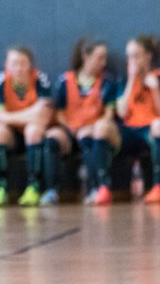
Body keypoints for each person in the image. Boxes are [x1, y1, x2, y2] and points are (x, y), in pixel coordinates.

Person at [46, 39, 118, 206]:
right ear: (86, 57)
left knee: (89, 138)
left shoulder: (107, 82)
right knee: (52, 138)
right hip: (70, 129)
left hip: (92, 130)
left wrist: (92, 128)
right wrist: (70, 127)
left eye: (105, 58)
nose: (104, 63)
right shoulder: (66, 80)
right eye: (100, 58)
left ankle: (95, 189)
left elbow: (109, 114)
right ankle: (51, 191)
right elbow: (59, 113)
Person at [0, 47, 51, 207]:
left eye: (23, 63)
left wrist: (10, 117)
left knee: (33, 130)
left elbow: (43, 116)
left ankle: (33, 187)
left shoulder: (40, 79)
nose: (19, 68)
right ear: (7, 65)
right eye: (14, 63)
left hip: (32, 132)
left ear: (30, 65)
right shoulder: (0, 81)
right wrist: (29, 114)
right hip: (12, 133)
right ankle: (0, 188)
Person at [115, 34, 160, 204]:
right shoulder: (124, 79)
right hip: (129, 130)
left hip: (150, 129)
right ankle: (104, 188)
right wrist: (132, 80)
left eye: (136, 56)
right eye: (129, 57)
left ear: (147, 56)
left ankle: (158, 186)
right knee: (102, 129)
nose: (132, 61)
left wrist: (155, 89)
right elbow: (122, 113)